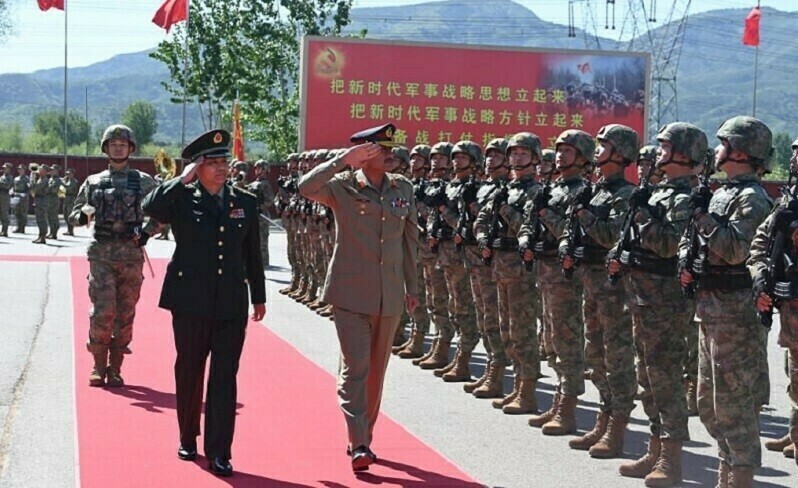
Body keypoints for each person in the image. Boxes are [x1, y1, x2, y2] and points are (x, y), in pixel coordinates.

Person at [142, 129, 266, 477]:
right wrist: (180, 180)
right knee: (189, 371)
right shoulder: (181, 197)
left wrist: (258, 295)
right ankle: (187, 435)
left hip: (230, 303)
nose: (222, 167)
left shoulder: (245, 201)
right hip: (190, 302)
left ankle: (220, 450)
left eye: (224, 161)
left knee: (225, 376)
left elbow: (251, 254)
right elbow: (150, 207)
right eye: (213, 162)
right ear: (197, 166)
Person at [298, 123, 419, 472]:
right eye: (383, 148)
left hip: (390, 294)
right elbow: (306, 187)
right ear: (365, 153)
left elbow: (409, 241)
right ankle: (360, 441)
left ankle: (363, 434)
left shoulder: (403, 188)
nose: (391, 153)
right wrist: (341, 160)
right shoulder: (342, 186)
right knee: (356, 368)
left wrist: (412, 288)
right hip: (350, 294)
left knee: (376, 374)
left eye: (391, 148)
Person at [608, 122, 706, 487]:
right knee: (648, 379)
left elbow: (668, 245)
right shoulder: (658, 192)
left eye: (666, 147)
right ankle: (654, 446)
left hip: (666, 302)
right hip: (642, 295)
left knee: (665, 380)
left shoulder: (688, 198)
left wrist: (644, 214)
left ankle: (671, 455)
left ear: (683, 152)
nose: (659, 153)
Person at [679, 116, 773, 487]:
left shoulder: (752, 198)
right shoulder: (722, 193)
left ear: (739, 150)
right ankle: (726, 466)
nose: (715, 151)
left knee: (735, 404)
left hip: (735, 313)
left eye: (722, 143)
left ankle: (740, 476)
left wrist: (703, 219)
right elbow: (695, 237)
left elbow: (736, 250)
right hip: (710, 309)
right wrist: (688, 259)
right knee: (709, 403)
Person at [562, 124, 637, 458]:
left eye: (603, 145)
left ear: (619, 154)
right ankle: (603, 417)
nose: (597, 151)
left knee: (616, 357)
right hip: (590, 282)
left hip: (613, 288)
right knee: (596, 356)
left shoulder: (627, 195)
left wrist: (585, 215)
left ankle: (617, 426)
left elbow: (611, 237)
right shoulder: (595, 190)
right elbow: (571, 228)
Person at [68, 124, 158, 388]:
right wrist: (85, 215)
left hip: (131, 256)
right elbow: (73, 216)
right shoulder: (93, 182)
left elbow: (163, 213)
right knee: (102, 312)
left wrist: (147, 233)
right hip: (102, 256)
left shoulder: (144, 181)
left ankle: (116, 368)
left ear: (130, 148)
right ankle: (98, 366)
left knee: (125, 313)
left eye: (123, 144)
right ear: (105, 148)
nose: (118, 147)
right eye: (113, 144)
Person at [751, 136, 798, 464]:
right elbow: (761, 238)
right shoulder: (790, 199)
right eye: (794, 154)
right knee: (793, 367)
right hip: (789, 301)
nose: (794, 159)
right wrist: (760, 274)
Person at [249, 159, 276, 267]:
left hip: (262, 215)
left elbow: (270, 199)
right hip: (253, 215)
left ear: (264, 169)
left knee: (262, 241)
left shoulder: (265, 184)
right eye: (255, 168)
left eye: (258, 167)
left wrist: (260, 207)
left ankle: (263, 263)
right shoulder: (254, 183)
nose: (256, 169)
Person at [30, 163, 51, 244]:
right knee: (39, 220)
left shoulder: (44, 180)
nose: (39, 170)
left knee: (42, 220)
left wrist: (32, 178)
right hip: (39, 200)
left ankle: (43, 237)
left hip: (42, 201)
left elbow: (35, 188)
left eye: (41, 169)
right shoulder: (40, 179)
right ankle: (40, 236)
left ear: (45, 171)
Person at [12, 164, 30, 234]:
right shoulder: (16, 178)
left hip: (23, 197)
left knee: (23, 213)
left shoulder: (27, 179)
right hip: (16, 196)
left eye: (21, 169)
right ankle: (18, 227)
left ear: (24, 170)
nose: (19, 170)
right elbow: (13, 187)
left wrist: (26, 194)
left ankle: (22, 228)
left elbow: (29, 189)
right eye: (18, 169)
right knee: (17, 213)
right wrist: (12, 191)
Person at [46, 164, 63, 239]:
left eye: (53, 170)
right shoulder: (50, 179)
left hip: (54, 200)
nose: (51, 171)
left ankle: (54, 233)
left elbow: (56, 190)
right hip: (49, 200)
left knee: (53, 216)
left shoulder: (58, 180)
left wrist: (48, 189)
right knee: (49, 216)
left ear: (56, 171)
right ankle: (51, 232)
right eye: (51, 170)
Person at [62, 168, 80, 236]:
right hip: (66, 199)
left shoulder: (74, 181)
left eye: (69, 174)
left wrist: (62, 182)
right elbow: (62, 190)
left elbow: (67, 188)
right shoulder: (67, 180)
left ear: (72, 174)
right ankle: (68, 230)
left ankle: (71, 231)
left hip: (71, 199)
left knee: (69, 215)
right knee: (65, 215)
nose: (67, 175)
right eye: (67, 174)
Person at [0, 162, 12, 236]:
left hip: (5, 196)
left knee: (4, 213)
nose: (4, 169)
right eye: (4, 168)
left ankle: (5, 230)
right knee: (1, 213)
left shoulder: (10, 177)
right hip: (1, 195)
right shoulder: (2, 177)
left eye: (6, 168)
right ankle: (2, 230)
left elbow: (8, 186)